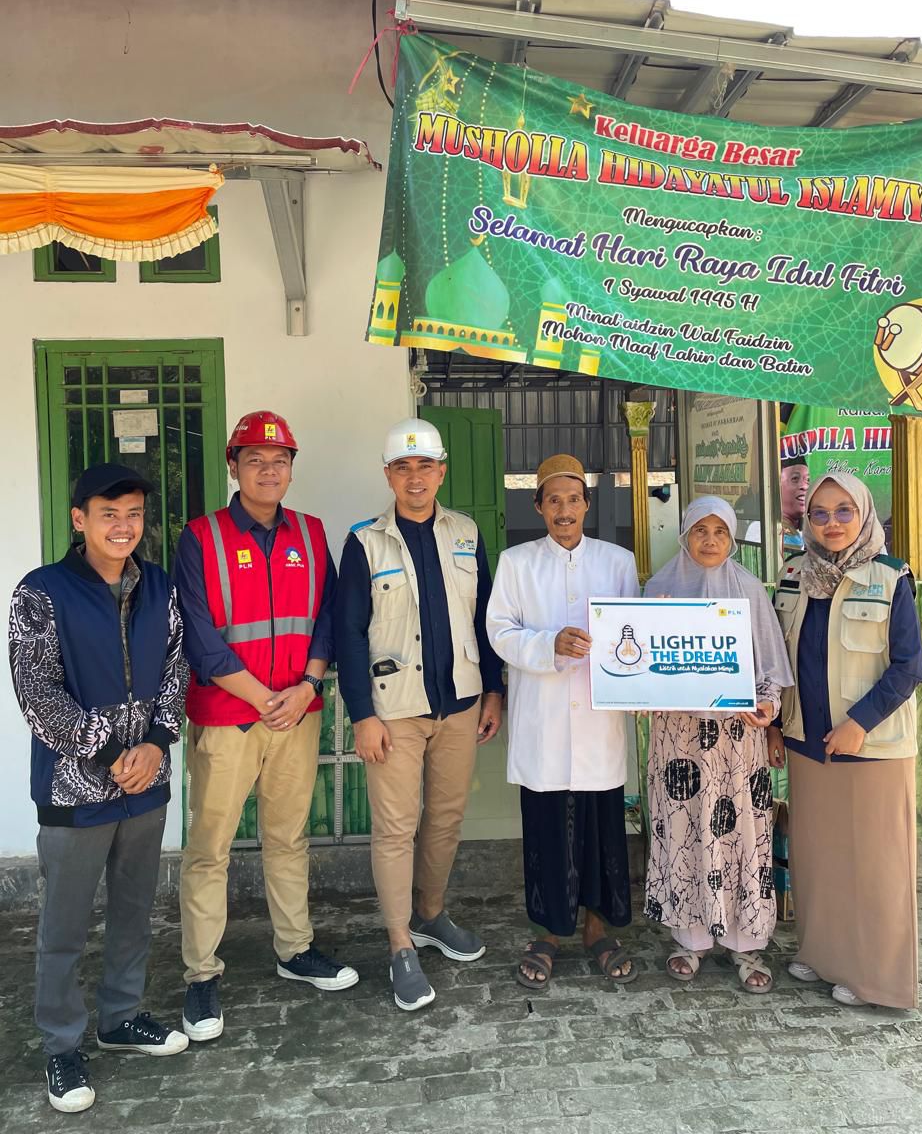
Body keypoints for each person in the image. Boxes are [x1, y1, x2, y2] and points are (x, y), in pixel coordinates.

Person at [9, 463, 189, 1113]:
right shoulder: (41, 592)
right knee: (64, 924)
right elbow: (38, 696)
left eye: (135, 514)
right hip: (73, 791)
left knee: (135, 909)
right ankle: (61, 1043)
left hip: (147, 785)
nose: (124, 526)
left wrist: (156, 744)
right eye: (109, 514)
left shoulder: (158, 585)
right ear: (78, 518)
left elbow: (177, 667)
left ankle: (120, 1018)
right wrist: (114, 752)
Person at [174, 410, 356, 1043]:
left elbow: (327, 617)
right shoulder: (200, 537)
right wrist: (263, 698)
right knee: (210, 848)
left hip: (296, 714)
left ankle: (294, 948)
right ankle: (200, 973)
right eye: (255, 459)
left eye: (279, 460)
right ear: (234, 466)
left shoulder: (311, 532)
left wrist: (306, 685)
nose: (268, 469)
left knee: (288, 837)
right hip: (229, 718)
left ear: (290, 469)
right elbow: (199, 634)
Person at [335, 418, 504, 1012]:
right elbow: (349, 633)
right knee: (396, 827)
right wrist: (362, 714)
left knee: (447, 819)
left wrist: (494, 689)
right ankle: (400, 941)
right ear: (388, 474)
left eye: (425, 466)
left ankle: (431, 913)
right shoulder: (364, 542)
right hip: (394, 712)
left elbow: (486, 617)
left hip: (459, 703)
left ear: (442, 470)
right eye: (403, 467)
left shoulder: (465, 532)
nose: (414, 477)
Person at [769, 473, 922, 1009]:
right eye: (820, 513)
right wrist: (774, 726)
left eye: (844, 512)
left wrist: (860, 722)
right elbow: (777, 661)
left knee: (875, 862)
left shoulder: (890, 577)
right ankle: (823, 955)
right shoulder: (793, 576)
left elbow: (909, 667)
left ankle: (876, 977)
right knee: (820, 857)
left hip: (871, 745)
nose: (832, 523)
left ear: (863, 515)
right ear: (806, 521)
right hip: (807, 741)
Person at [486, 454, 640, 990]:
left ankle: (598, 929)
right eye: (553, 500)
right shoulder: (516, 563)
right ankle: (548, 933)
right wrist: (545, 644)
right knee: (547, 833)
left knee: (601, 832)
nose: (564, 509)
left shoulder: (618, 562)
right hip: (544, 722)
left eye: (573, 499)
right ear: (538, 506)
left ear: (587, 504)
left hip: (599, 723)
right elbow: (499, 631)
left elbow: (635, 636)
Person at [644, 496, 792, 993]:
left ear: (732, 539)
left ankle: (746, 943)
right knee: (685, 830)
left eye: (720, 532)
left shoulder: (749, 591)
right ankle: (689, 938)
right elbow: (641, 662)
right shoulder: (658, 588)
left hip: (735, 739)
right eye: (700, 530)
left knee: (741, 834)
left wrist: (765, 706)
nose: (710, 540)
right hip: (678, 737)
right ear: (684, 533)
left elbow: (770, 669)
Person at [780, 457, 810, 552]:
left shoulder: (808, 527)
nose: (804, 486)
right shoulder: (761, 528)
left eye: (808, 480)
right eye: (795, 479)